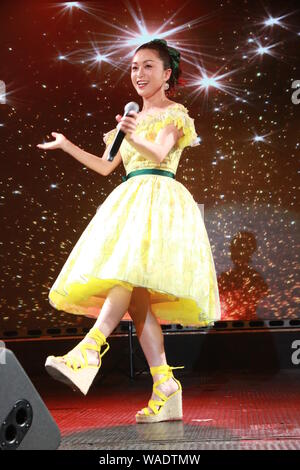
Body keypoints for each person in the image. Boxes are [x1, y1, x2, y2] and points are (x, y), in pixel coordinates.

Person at [36, 38, 221, 423]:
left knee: (126, 274)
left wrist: (132, 132)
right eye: (135, 67)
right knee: (137, 301)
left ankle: (88, 349)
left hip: (160, 199)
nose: (139, 74)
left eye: (148, 66)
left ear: (167, 73)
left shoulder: (175, 113)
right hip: (131, 200)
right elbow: (106, 166)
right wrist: (68, 145)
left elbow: (158, 153)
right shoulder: (128, 121)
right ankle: (165, 384)